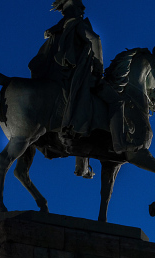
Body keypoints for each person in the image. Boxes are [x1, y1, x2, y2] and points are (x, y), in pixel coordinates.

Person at [28, 0, 106, 177]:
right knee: (88, 105)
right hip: (73, 74)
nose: (83, 9)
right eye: (80, 7)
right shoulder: (76, 24)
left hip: (54, 74)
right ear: (73, 8)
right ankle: (83, 162)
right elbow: (95, 39)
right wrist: (99, 68)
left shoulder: (58, 28)